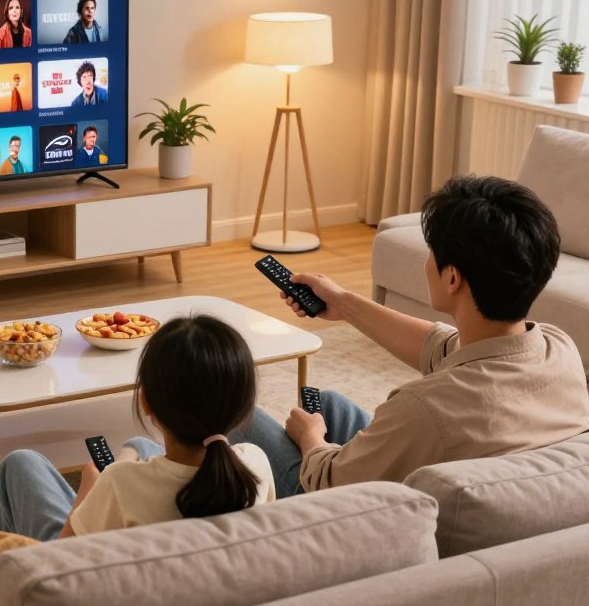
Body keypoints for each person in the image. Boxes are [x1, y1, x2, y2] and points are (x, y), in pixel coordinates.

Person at [240, 174, 589, 500]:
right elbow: (442, 347)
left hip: (352, 510)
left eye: (431, 253)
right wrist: (344, 304)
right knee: (328, 404)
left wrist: (311, 439)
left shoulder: (426, 408)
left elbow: (328, 481)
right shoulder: (559, 349)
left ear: (452, 279)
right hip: (469, 470)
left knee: (236, 412)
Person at [0, 315, 275, 541]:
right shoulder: (254, 464)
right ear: (242, 404)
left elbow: (62, 561)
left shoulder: (119, 485)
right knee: (138, 445)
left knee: (19, 464)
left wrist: (88, 491)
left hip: (89, 577)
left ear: (146, 401)